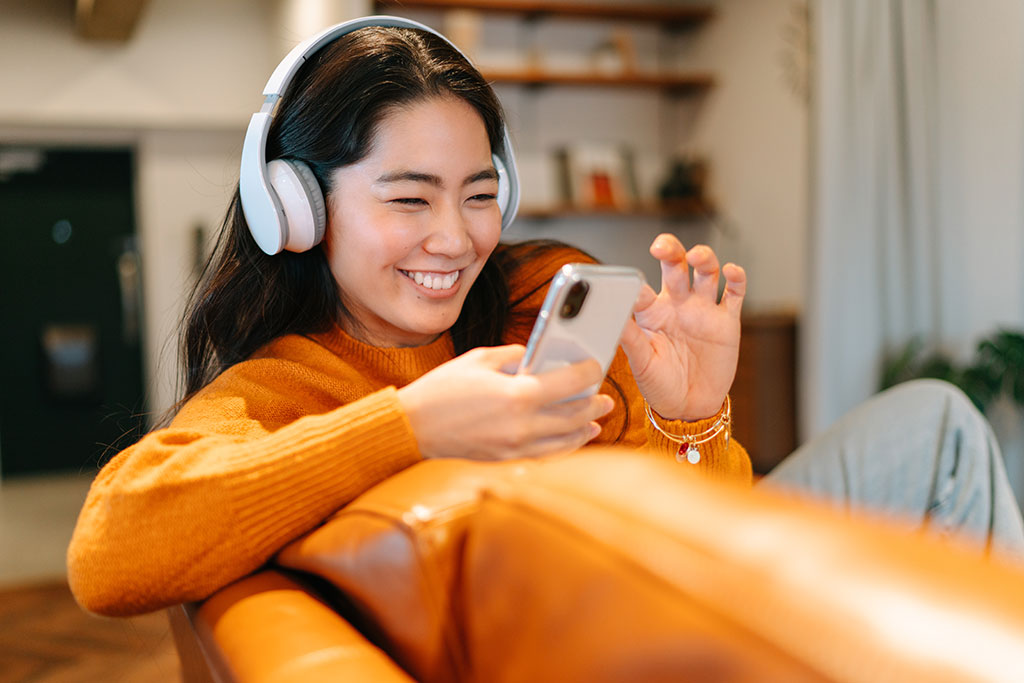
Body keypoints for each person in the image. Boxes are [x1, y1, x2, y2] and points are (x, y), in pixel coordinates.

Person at [67, 17, 1023, 618]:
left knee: (935, 423)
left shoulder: (544, 290)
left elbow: (703, 512)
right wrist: (409, 426)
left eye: (480, 193)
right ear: (299, 210)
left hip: (673, 568)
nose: (454, 237)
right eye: (409, 198)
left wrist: (690, 417)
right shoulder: (285, 385)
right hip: (601, 619)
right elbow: (108, 551)